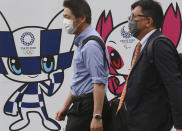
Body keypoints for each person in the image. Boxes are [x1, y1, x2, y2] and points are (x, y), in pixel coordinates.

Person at [117, 0, 182, 131]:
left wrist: (180, 125)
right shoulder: (142, 46)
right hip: (135, 123)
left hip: (151, 124)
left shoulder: (159, 44)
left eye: (134, 17)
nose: (130, 21)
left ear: (149, 21)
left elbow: (174, 85)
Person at [55, 0, 112, 131]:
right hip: (82, 105)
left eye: (67, 17)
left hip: (88, 107)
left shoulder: (91, 45)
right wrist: (66, 106)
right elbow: (80, 79)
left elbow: (99, 82)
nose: (65, 21)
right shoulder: (83, 42)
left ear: (81, 18)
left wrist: (97, 116)